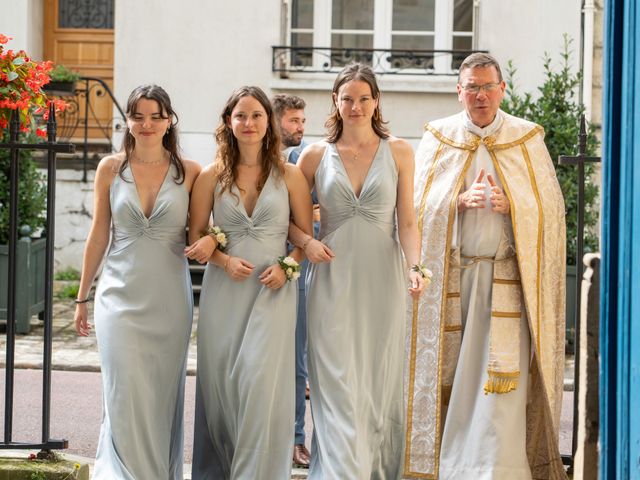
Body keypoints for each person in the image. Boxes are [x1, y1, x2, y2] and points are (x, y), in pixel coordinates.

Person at [403, 52, 567, 479]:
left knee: (502, 385)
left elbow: (550, 213)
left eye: (487, 86)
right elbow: (413, 211)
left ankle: (498, 468)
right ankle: (453, 466)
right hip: (454, 279)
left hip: (505, 277)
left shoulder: (526, 138)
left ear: (502, 90)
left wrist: (512, 206)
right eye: (471, 87)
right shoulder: (438, 137)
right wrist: (456, 202)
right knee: (454, 379)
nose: (480, 95)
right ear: (459, 91)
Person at [288, 62, 426, 479]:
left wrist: (416, 267)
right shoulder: (313, 155)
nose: (355, 106)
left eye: (363, 98)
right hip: (330, 280)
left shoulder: (400, 151)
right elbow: (287, 220)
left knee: (378, 381)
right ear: (335, 101)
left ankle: (376, 469)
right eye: (347, 98)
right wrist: (308, 241)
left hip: (383, 279)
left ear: (376, 101)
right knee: (335, 381)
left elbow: (407, 220)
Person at [73, 85, 201, 479]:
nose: (146, 124)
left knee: (161, 393)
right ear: (127, 121)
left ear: (169, 121)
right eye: (138, 116)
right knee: (122, 389)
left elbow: (200, 234)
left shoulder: (191, 172)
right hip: (118, 295)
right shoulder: (110, 168)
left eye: (155, 116)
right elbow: (98, 234)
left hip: (168, 300)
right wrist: (81, 297)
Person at [188, 86, 313, 479]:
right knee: (224, 383)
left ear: (268, 122)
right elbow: (193, 239)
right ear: (229, 121)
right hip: (225, 293)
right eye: (240, 115)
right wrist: (221, 259)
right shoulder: (211, 176)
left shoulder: (290, 175)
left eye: (256, 115)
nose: (249, 123)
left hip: (272, 293)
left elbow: (304, 241)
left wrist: (287, 268)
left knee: (260, 386)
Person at [272, 93, 312, 468]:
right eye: (294, 121)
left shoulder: (303, 161)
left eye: (302, 120)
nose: (301, 127)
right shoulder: (254, 159)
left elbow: (315, 213)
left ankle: (297, 438)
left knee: (298, 357)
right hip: (255, 266)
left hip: (297, 268)